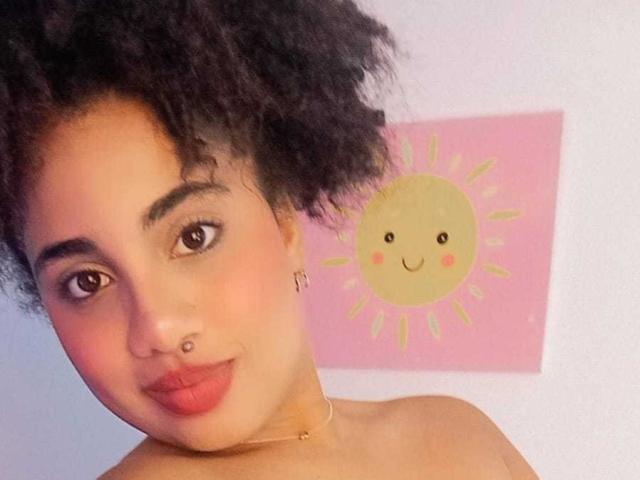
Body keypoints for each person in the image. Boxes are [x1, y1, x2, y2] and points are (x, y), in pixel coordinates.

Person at [0, 1, 538, 478]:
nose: (158, 329)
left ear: (284, 223)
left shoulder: (459, 433)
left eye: (193, 236)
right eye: (87, 281)